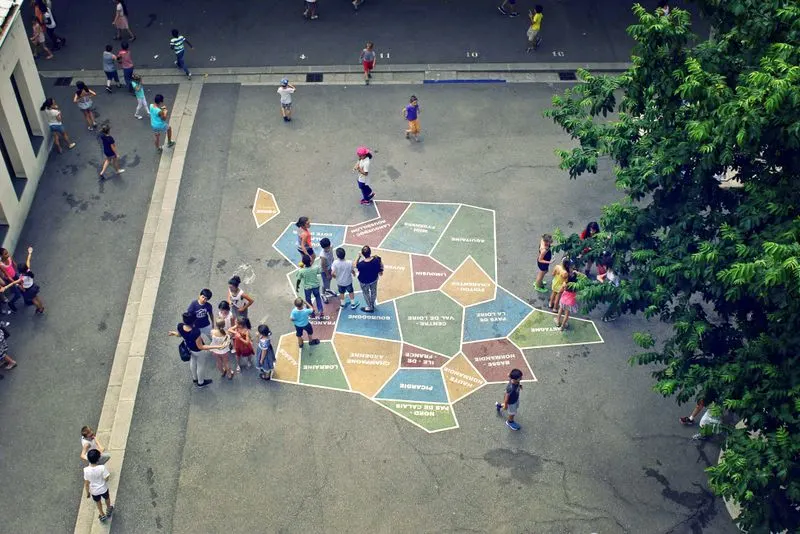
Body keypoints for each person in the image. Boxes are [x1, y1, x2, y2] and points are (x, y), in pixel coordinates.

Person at [168, 312, 224, 388]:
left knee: (193, 361)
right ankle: (201, 382)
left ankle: (195, 379)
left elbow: (179, 334)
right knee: (200, 365)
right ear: (193, 321)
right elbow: (201, 347)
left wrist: (173, 333)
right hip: (198, 351)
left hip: (189, 348)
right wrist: (216, 346)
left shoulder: (180, 326)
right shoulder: (195, 332)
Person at [83, 449, 114, 522]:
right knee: (107, 498)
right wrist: (104, 481)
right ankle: (109, 508)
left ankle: (102, 514)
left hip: (94, 491)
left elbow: (86, 483)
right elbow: (106, 477)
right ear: (98, 459)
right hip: (103, 488)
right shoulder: (102, 468)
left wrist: (87, 493)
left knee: (98, 502)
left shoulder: (86, 470)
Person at [354, 245, 383, 313]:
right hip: (374, 279)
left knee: (366, 293)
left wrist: (358, 256)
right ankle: (372, 304)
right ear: (370, 252)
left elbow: (355, 265)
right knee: (373, 291)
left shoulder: (361, 264)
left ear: (362, 254)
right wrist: (381, 271)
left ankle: (370, 306)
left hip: (364, 281)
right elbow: (381, 265)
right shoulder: (377, 259)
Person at [17, 246, 44, 314]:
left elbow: (19, 286)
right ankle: (41, 307)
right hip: (33, 286)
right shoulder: (28, 270)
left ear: (20, 271)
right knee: (37, 298)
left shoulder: (21, 278)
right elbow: (28, 260)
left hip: (29, 290)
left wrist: (17, 285)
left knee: (33, 300)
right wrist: (29, 253)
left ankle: (39, 309)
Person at [319, 238, 336, 303]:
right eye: (326, 248)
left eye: (328, 247)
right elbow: (323, 266)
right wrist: (327, 274)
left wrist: (333, 267)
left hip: (330, 267)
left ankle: (328, 290)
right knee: (325, 282)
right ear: (323, 248)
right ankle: (323, 294)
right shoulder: (323, 256)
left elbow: (332, 256)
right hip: (324, 271)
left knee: (329, 281)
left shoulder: (331, 246)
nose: (328, 249)